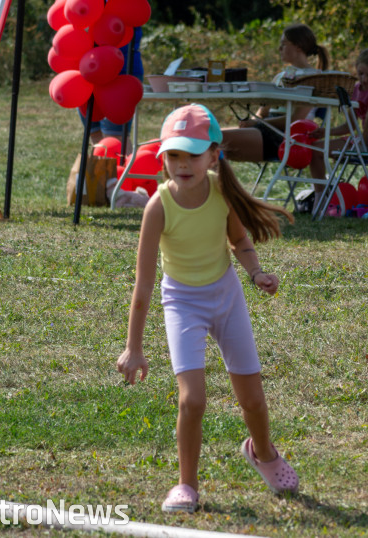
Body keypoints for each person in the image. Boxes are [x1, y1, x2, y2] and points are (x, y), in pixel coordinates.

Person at [116, 104, 298, 513]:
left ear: (214, 156)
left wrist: (256, 273)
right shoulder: (157, 207)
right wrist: (134, 347)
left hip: (227, 296)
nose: (182, 164)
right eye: (174, 155)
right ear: (163, 158)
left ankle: (263, 453)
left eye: (193, 155)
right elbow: (144, 284)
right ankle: (186, 486)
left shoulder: (222, 192)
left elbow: (240, 242)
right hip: (182, 302)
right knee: (191, 400)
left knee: (252, 399)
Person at [221, 24, 330, 164]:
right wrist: (253, 122)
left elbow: (295, 119)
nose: (279, 49)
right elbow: (263, 111)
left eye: (283, 44)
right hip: (267, 129)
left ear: (298, 46)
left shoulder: (314, 78)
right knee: (209, 138)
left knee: (215, 139)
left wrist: (258, 122)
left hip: (288, 137)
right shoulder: (283, 75)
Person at [305, 48, 368, 179]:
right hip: (363, 141)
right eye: (360, 73)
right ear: (356, 69)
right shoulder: (355, 90)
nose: (364, 79)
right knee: (316, 149)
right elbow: (350, 126)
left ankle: (360, 147)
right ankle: (320, 196)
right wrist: (327, 131)